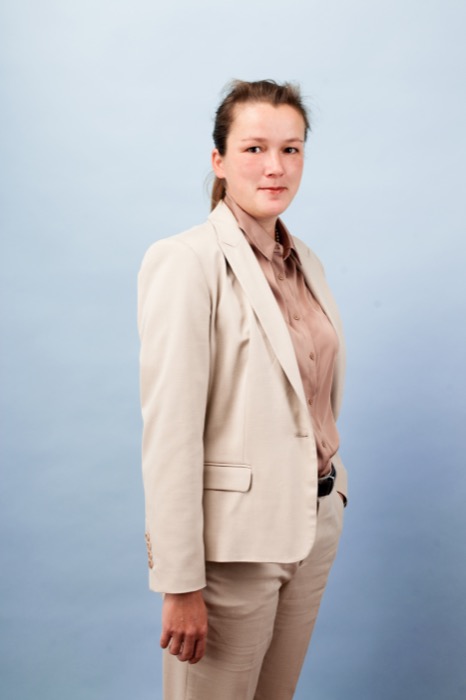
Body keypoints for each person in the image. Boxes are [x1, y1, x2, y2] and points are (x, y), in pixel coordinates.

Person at [138, 78, 347, 700]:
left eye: (291, 149)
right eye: (255, 148)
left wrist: (332, 498)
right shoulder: (186, 261)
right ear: (220, 160)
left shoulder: (306, 261)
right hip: (232, 551)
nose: (275, 167)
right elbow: (171, 432)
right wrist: (180, 582)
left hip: (313, 525)